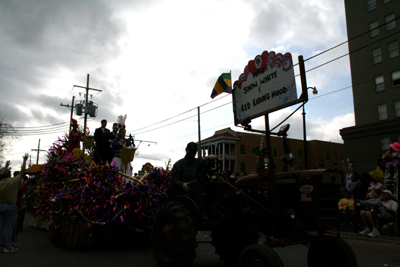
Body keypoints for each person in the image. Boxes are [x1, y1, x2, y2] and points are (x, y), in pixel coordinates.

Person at [171, 142, 225, 220]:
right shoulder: (179, 164)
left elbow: (207, 166)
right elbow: (174, 179)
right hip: (189, 186)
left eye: (194, 151)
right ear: (186, 150)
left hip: (201, 184)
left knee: (220, 184)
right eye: (191, 150)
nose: (192, 152)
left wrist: (211, 160)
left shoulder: (199, 162)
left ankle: (218, 209)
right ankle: (202, 211)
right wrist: (182, 184)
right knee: (194, 183)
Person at [0, 153, 29, 253]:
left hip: (0, 205)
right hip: (10, 206)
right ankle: (7, 246)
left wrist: (5, 167)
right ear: (9, 174)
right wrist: (25, 160)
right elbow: (22, 172)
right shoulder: (13, 181)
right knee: (8, 227)